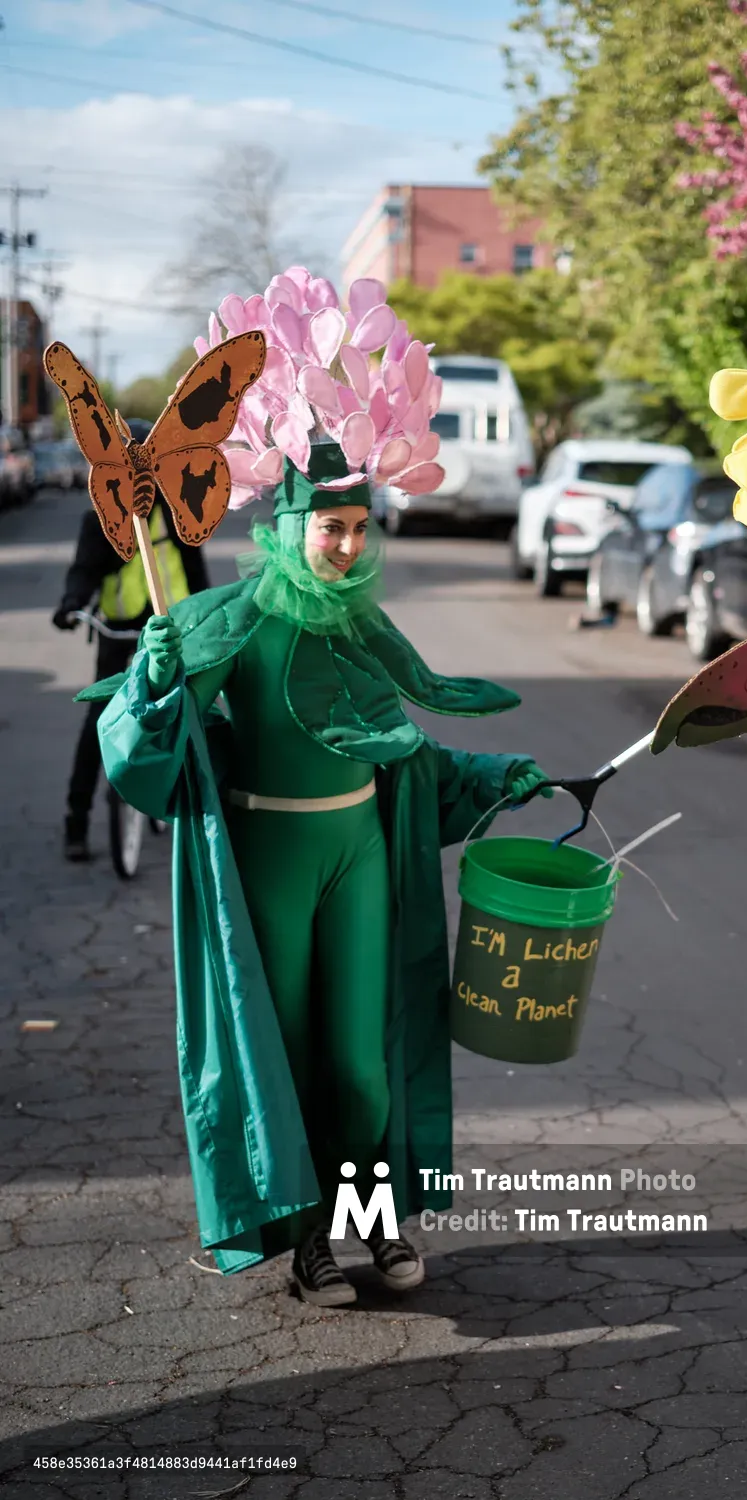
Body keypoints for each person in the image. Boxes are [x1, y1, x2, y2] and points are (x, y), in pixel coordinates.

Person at [80, 443, 553, 1306]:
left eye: (360, 529)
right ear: (289, 527)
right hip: (272, 857)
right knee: (289, 1058)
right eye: (331, 527)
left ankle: (375, 1219)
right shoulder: (235, 619)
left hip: (360, 854)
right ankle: (309, 1245)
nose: (347, 546)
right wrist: (151, 681)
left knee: (361, 1064)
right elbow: (149, 753)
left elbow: (402, 748)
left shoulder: (362, 622)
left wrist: (490, 778)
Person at [52, 418, 209, 862]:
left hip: (171, 630)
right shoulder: (99, 519)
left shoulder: (176, 513)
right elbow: (83, 570)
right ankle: (75, 820)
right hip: (119, 629)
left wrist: (210, 614)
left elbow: (195, 573)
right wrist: (70, 603)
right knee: (98, 720)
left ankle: (186, 803)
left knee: (185, 712)